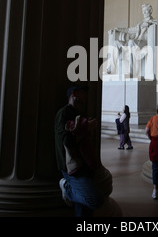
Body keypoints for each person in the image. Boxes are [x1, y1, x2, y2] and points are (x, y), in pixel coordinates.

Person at [55, 85, 104, 217]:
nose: (86, 97)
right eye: (83, 93)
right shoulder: (64, 113)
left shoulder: (78, 113)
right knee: (95, 200)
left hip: (83, 164)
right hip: (72, 167)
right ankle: (66, 187)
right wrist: (86, 127)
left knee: (84, 209)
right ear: (74, 93)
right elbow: (67, 141)